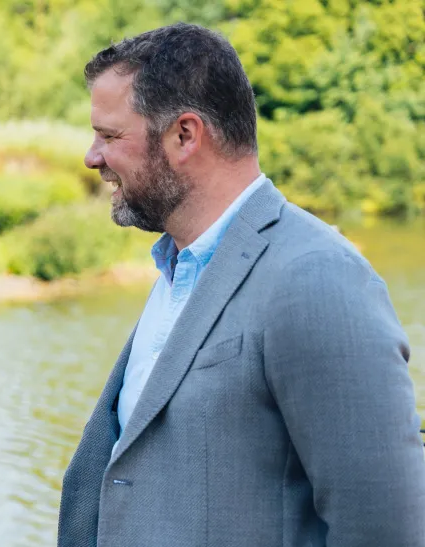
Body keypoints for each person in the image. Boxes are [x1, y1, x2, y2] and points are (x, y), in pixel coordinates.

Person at [57, 22, 425, 547]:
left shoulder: (317, 276)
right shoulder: (178, 267)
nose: (93, 156)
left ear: (185, 135)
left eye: (111, 136)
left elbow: (385, 527)